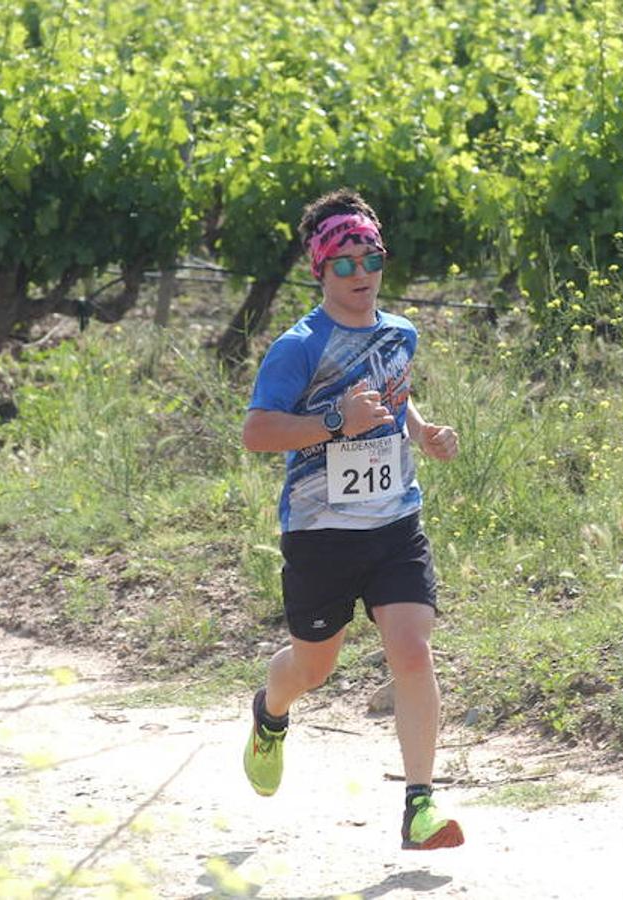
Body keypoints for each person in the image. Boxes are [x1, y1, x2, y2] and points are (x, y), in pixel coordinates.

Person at [240, 188, 464, 851]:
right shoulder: (298, 347)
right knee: (312, 668)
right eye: (343, 263)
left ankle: (418, 806)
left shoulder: (400, 334)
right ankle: (270, 712)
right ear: (320, 270)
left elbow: (395, 397)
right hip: (321, 533)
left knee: (411, 649)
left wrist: (422, 434)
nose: (360, 273)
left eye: (371, 258)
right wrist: (335, 421)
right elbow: (256, 432)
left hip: (394, 520)